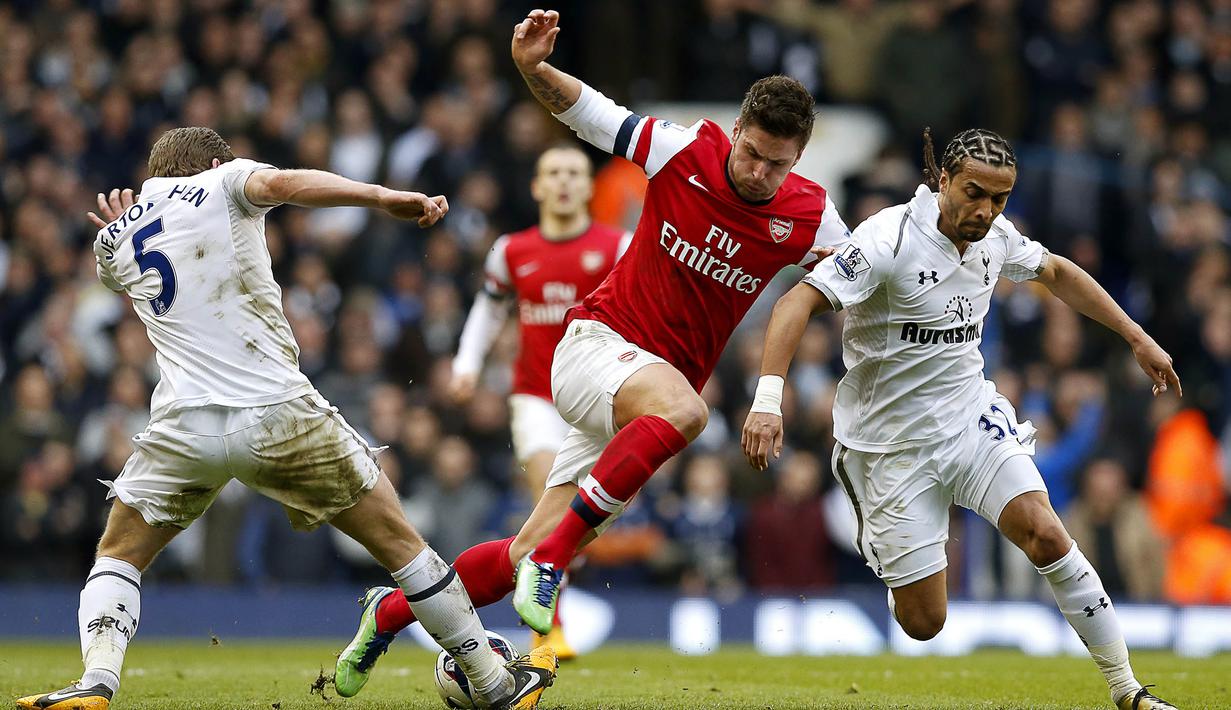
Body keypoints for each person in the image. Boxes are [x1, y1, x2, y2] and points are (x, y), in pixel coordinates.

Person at [331, 8, 850, 695]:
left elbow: (860, 281)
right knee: (688, 414)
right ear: (735, 131)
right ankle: (552, 560)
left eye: (776, 164)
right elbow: (591, 113)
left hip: (637, 400)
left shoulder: (810, 216)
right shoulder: (682, 151)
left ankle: (388, 613)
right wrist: (531, 68)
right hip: (594, 347)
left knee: (516, 554)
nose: (758, 172)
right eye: (750, 152)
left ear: (800, 158)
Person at [16, 127, 556, 710]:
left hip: (183, 427)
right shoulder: (223, 181)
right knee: (401, 545)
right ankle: (493, 683)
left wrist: (125, 222)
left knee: (119, 552)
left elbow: (116, 263)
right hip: (275, 411)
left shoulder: (114, 240)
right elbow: (285, 184)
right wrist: (381, 197)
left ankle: (97, 682)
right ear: (215, 162)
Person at [741, 128, 1179, 710]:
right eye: (975, 194)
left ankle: (1128, 690)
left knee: (1046, 533)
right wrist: (767, 400)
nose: (986, 211)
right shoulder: (889, 238)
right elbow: (795, 301)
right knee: (925, 623)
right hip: (888, 448)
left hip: (969, 419)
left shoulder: (995, 237)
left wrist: (1137, 337)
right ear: (943, 181)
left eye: (999, 199)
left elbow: (1055, 272)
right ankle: (897, 563)